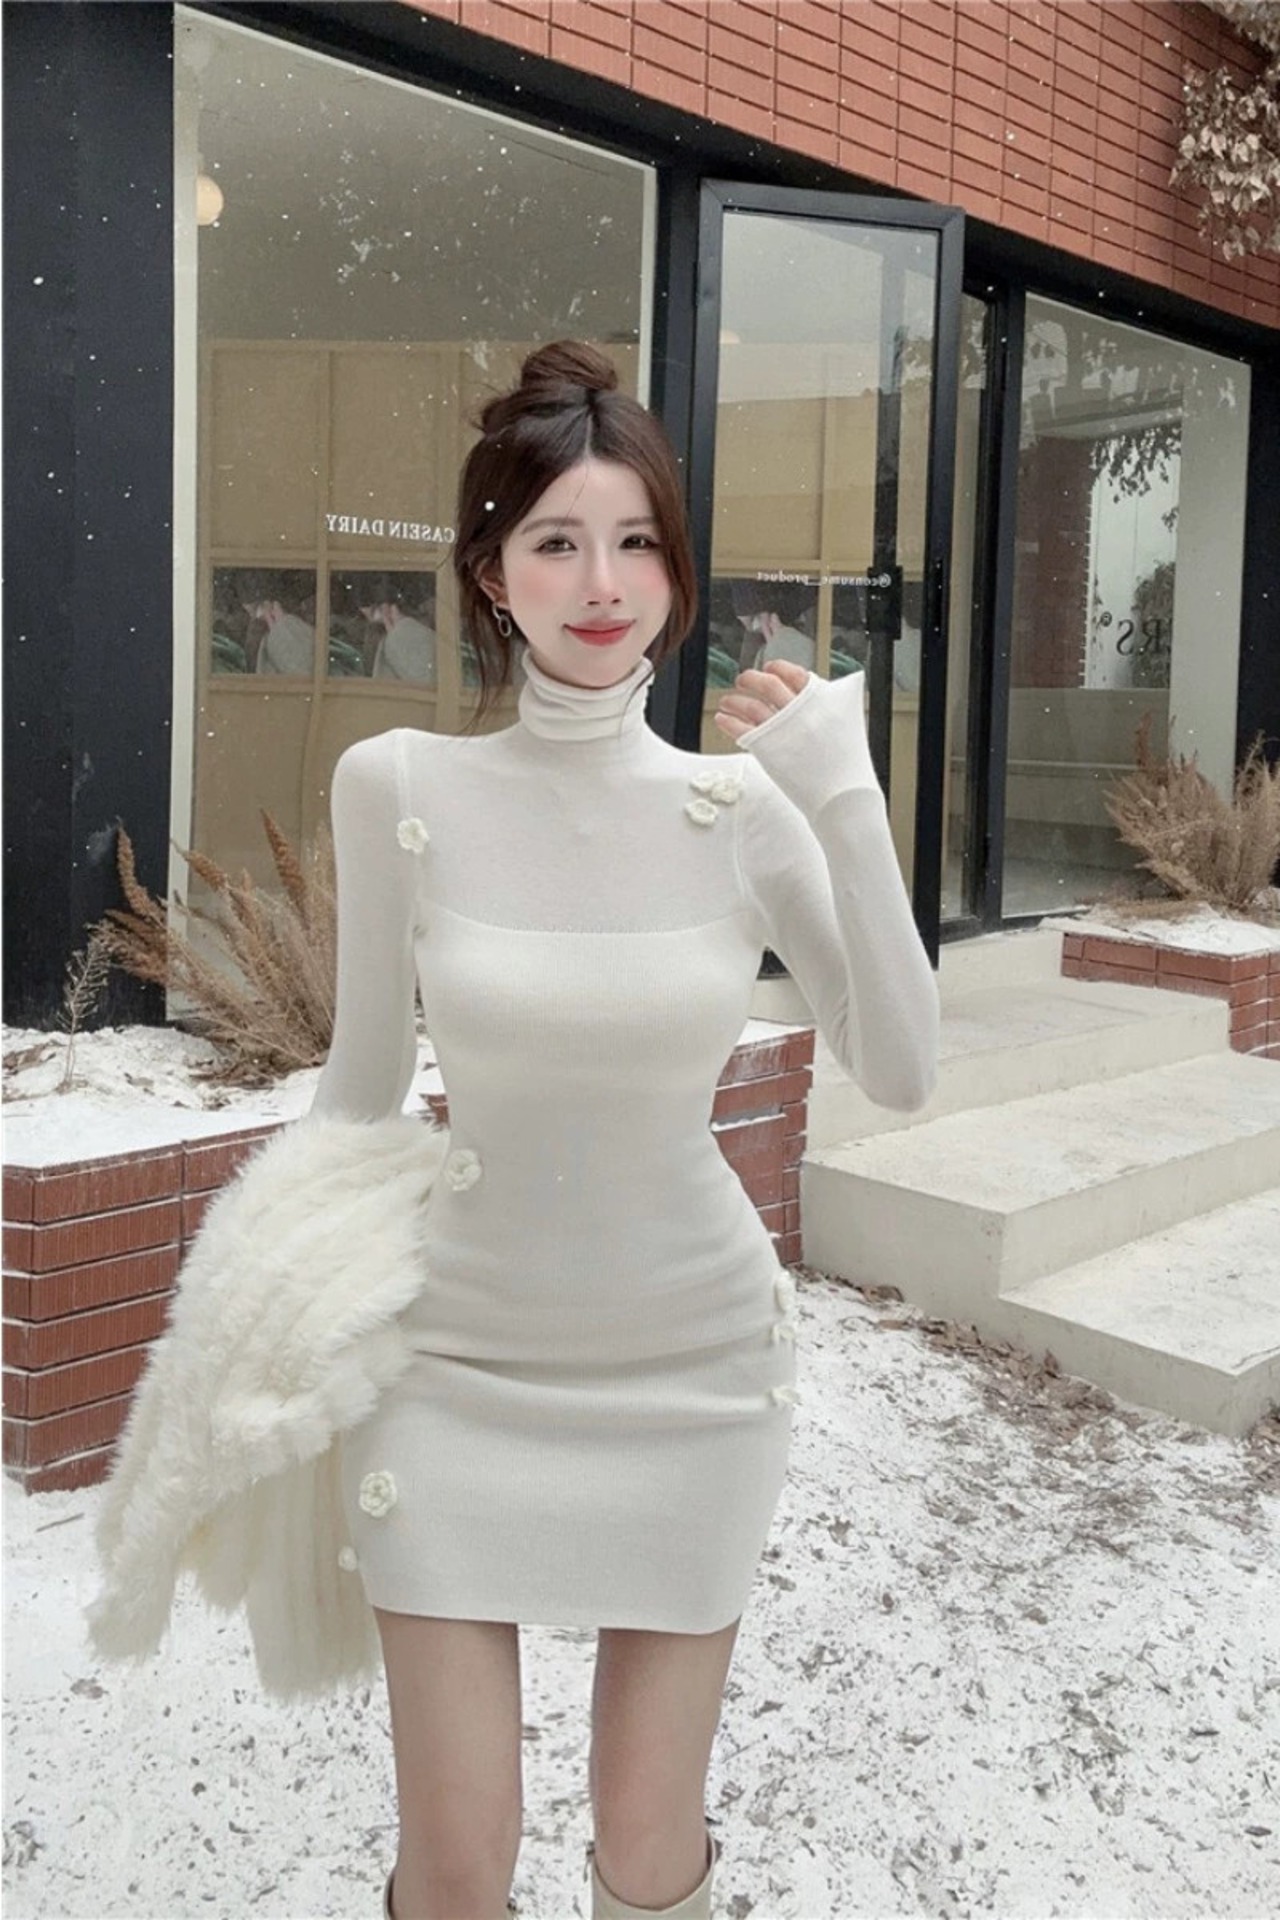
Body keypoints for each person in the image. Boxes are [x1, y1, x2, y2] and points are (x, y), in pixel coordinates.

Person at [312, 340, 939, 1920]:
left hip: (692, 1375)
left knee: (647, 1848)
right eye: (557, 541)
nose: (604, 584)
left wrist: (845, 799)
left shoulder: (743, 814)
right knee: (458, 1863)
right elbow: (361, 1088)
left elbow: (905, 1068)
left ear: (674, 567)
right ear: (490, 573)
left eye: (637, 541)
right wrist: (277, 1322)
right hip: (449, 1368)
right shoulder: (397, 785)